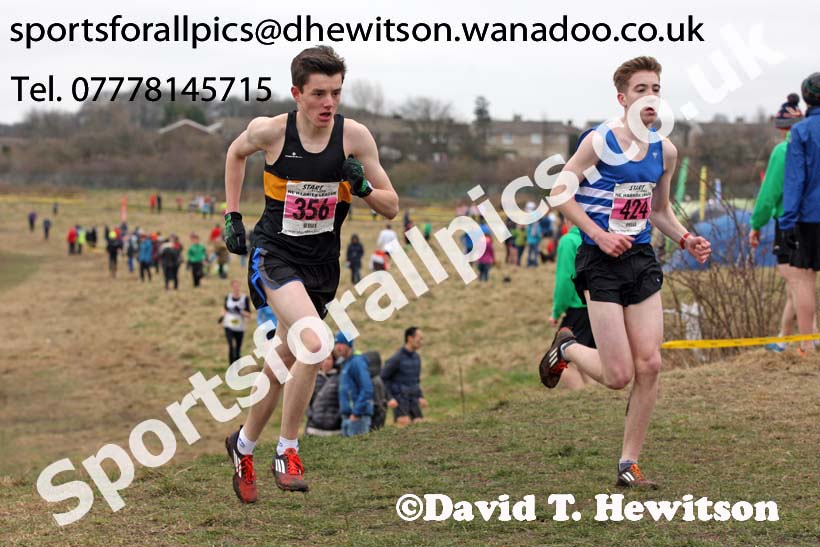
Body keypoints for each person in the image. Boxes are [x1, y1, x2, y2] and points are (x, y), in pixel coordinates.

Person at [222, 46, 398, 503]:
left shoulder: (355, 137)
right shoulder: (271, 132)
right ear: (297, 92)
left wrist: (361, 188)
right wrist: (233, 214)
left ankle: (242, 446)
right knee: (314, 343)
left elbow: (391, 206)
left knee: (281, 360)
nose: (329, 103)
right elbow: (234, 154)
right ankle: (288, 449)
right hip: (274, 255)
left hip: (321, 266)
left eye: (336, 93)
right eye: (319, 93)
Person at [541, 56, 711, 489]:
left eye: (655, 88)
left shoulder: (665, 150)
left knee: (650, 364)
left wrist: (685, 238)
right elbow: (560, 191)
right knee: (617, 376)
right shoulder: (600, 142)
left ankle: (628, 464)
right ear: (622, 98)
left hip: (639, 259)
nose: (650, 96)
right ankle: (566, 348)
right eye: (640, 89)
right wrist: (597, 235)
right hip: (600, 262)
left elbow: (659, 211)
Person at [749, 95, 804, 352]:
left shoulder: (783, 151)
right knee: (799, 283)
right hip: (814, 219)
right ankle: (785, 337)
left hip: (790, 222)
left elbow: (769, 194)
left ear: (782, 127)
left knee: (796, 283)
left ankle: (806, 341)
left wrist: (756, 224)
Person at [780, 72, 820, 355]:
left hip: (810, 216)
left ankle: (805, 344)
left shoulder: (801, 132)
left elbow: (795, 179)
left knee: (805, 279)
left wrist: (788, 221)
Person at [547, 218, 594, 390]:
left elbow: (565, 281)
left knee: (560, 358)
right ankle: (596, 396)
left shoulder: (568, 240)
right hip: (600, 307)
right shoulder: (596, 236)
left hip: (577, 308)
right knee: (588, 358)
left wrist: (556, 311)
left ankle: (584, 398)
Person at [382, 327, 427, 427]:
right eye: (419, 338)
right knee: (404, 427)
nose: (421, 342)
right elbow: (383, 378)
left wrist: (420, 397)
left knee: (420, 425)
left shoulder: (417, 358)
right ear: (410, 338)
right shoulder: (396, 358)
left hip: (413, 400)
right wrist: (389, 398)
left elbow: (416, 381)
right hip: (400, 401)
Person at [335, 332, 374, 437]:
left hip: (357, 418)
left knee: (359, 452)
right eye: (336, 344)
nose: (338, 347)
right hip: (348, 417)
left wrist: (356, 413)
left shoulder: (357, 362)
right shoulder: (345, 363)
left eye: (342, 343)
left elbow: (367, 389)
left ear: (349, 345)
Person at [305, 355, 342, 436]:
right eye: (323, 359)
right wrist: (311, 415)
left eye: (328, 359)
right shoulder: (312, 378)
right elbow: (306, 401)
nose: (325, 362)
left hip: (335, 429)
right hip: (313, 428)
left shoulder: (340, 378)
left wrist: (338, 418)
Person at [222, 279, 252, 365]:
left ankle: (237, 363)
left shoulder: (244, 298)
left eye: (237, 286)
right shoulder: (228, 297)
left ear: (240, 287)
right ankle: (230, 365)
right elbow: (225, 309)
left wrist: (240, 311)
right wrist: (222, 316)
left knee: (238, 347)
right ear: (231, 287)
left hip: (239, 327)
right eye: (234, 286)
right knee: (231, 345)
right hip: (228, 326)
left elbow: (249, 315)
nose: (236, 288)